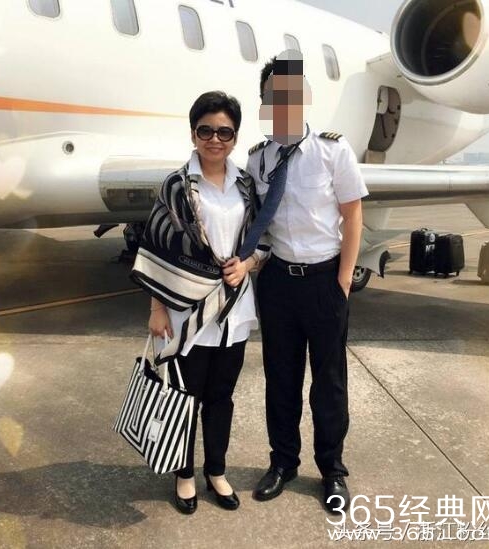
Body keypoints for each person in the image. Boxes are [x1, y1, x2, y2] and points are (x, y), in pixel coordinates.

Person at [244, 50, 369, 513]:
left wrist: (342, 281)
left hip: (323, 281)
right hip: (278, 282)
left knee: (329, 383)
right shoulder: (258, 160)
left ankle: (332, 469)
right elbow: (258, 223)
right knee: (281, 378)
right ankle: (283, 462)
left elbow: (353, 216)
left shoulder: (333, 151)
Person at [131, 91, 263, 514]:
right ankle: (184, 474)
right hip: (186, 312)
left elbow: (262, 240)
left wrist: (248, 264)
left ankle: (216, 471)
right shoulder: (176, 185)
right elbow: (157, 245)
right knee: (184, 397)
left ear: (235, 137)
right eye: (206, 131)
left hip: (234, 310)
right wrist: (156, 308)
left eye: (224, 132)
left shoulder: (245, 185)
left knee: (222, 395)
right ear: (193, 134)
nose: (214, 139)